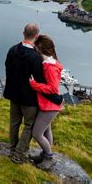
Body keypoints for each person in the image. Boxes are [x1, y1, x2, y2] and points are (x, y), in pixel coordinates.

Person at [4, 23, 45, 164]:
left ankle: (12, 149)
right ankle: (19, 154)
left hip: (13, 94)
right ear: (37, 36)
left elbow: (7, 70)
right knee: (30, 125)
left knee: (14, 123)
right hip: (29, 98)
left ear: (23, 33)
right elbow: (40, 79)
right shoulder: (35, 57)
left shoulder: (12, 50)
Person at [29, 35, 63, 170]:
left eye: (35, 47)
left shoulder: (49, 67)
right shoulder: (50, 63)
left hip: (50, 106)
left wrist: (34, 85)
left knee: (36, 133)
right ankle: (44, 154)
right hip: (49, 105)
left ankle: (49, 157)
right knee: (46, 130)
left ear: (39, 48)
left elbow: (53, 89)